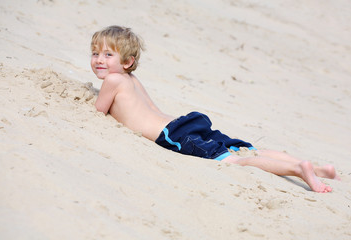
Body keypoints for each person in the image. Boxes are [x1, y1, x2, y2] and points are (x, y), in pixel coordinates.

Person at [90, 25, 338, 193]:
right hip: (185, 123)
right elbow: (151, 108)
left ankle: (297, 169)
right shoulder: (132, 80)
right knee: (246, 149)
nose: (99, 60)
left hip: (174, 135)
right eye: (95, 53)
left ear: (127, 61)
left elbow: (98, 112)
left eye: (107, 54)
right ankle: (317, 168)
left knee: (234, 161)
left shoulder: (113, 81)